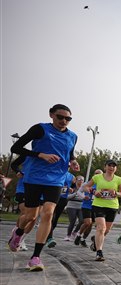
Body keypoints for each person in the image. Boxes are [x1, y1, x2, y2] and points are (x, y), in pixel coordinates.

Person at [7, 104, 79, 271]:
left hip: (56, 179)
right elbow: (15, 148)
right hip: (35, 177)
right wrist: (40, 155)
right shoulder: (40, 129)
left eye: (68, 118)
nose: (64, 121)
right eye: (60, 117)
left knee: (48, 213)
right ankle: (18, 233)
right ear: (51, 115)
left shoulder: (73, 136)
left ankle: (35, 258)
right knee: (30, 216)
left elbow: (70, 153)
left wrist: (73, 161)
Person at [82, 160, 121, 261]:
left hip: (112, 206)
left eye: (114, 166)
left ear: (116, 168)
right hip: (99, 205)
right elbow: (86, 187)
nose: (111, 168)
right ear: (105, 167)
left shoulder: (119, 179)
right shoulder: (97, 177)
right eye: (109, 165)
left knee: (106, 230)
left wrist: (116, 193)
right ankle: (99, 252)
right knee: (101, 228)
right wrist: (94, 191)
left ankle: (95, 242)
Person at [45, 164, 78, 247]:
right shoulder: (55, 172)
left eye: (68, 166)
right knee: (51, 217)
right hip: (53, 197)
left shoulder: (72, 177)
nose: (66, 167)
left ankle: (47, 234)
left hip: (63, 199)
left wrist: (71, 189)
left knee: (55, 220)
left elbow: (74, 186)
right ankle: (49, 237)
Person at [74, 169, 103, 248]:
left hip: (96, 206)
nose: (97, 175)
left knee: (90, 225)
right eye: (96, 173)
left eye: (99, 174)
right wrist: (83, 197)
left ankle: (83, 239)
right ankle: (78, 235)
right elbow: (79, 192)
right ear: (93, 174)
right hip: (86, 206)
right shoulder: (88, 183)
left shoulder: (102, 184)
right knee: (87, 222)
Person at [64, 175, 85, 241]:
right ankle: (68, 235)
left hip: (81, 206)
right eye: (79, 179)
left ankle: (75, 232)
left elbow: (85, 197)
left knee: (82, 220)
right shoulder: (72, 187)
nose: (81, 181)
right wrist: (76, 193)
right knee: (73, 221)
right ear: (76, 180)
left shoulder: (84, 188)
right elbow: (67, 197)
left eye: (82, 180)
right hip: (71, 206)